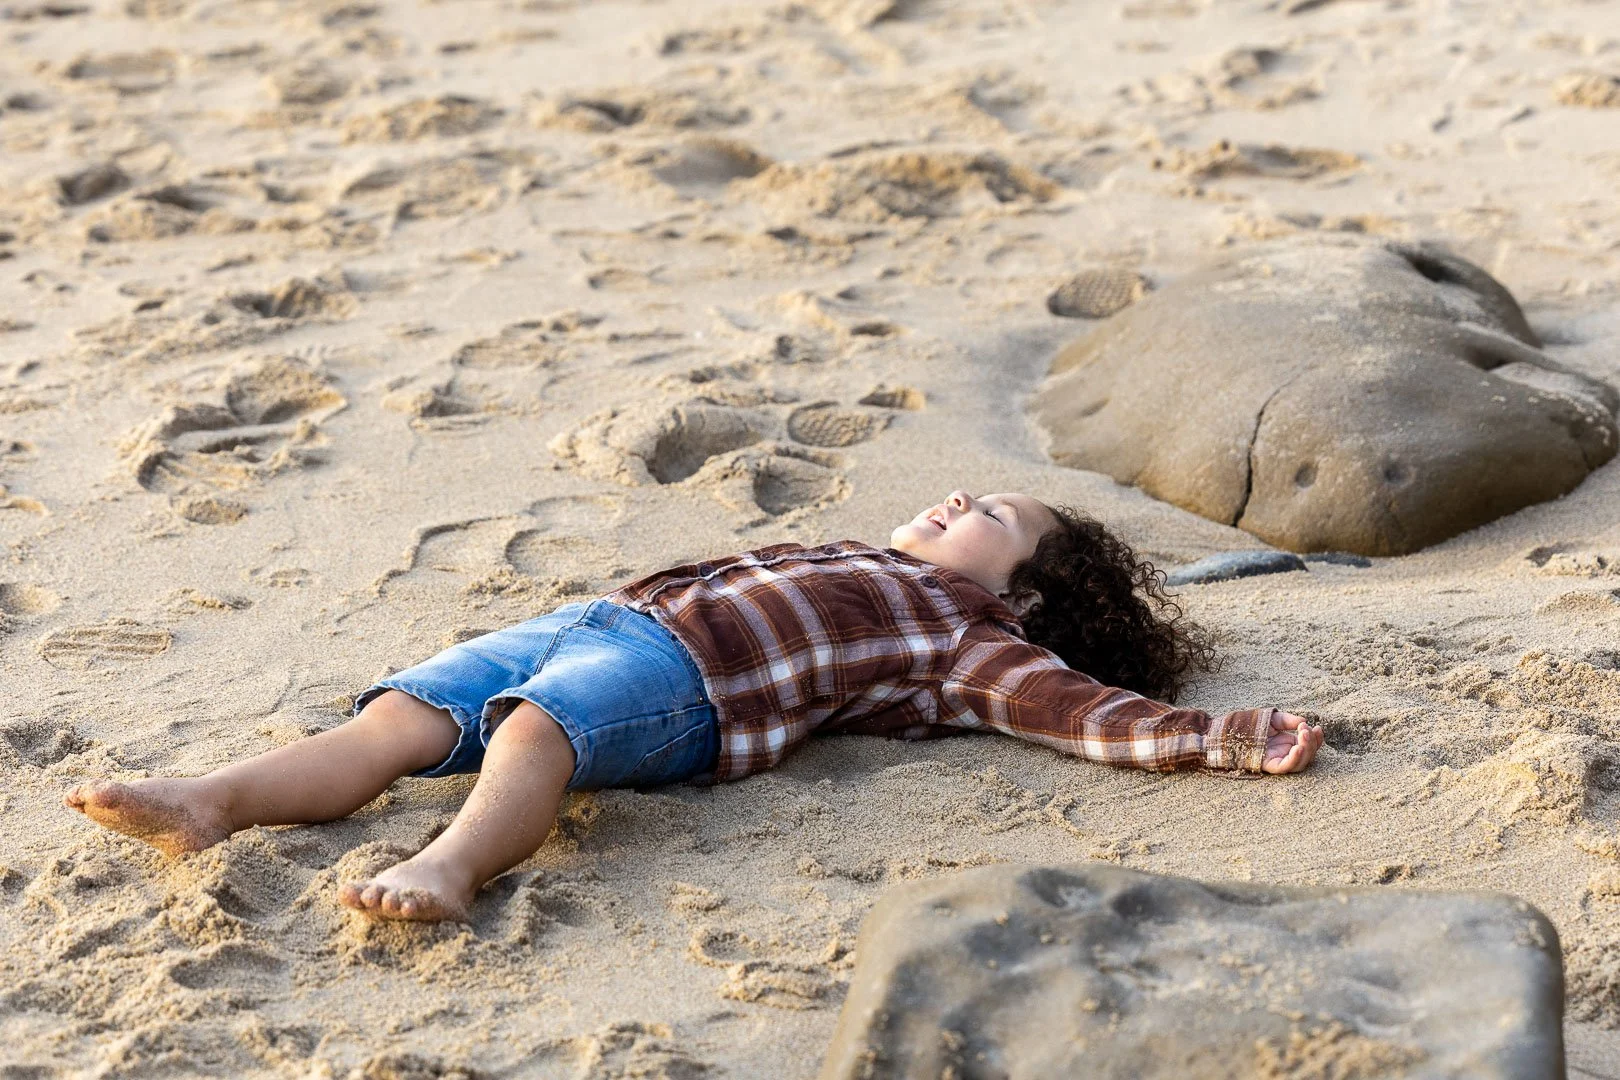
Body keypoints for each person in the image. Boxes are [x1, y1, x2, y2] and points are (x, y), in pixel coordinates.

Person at [64, 490, 1324, 922]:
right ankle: (214, 800)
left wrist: (1216, 736)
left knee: (532, 733)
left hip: (693, 690)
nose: (955, 504)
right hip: (606, 621)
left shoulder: (968, 639)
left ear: (1028, 596)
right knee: (407, 714)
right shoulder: (880, 558)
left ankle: (451, 866)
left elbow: (1079, 712)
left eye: (989, 519)